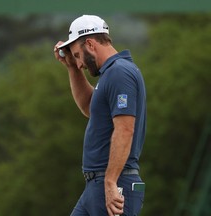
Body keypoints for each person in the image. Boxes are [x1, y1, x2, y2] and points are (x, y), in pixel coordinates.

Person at [54, 15, 146, 216]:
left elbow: (125, 129)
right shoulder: (110, 74)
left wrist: (111, 181)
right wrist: (71, 67)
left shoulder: (119, 73)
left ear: (90, 44)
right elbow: (89, 107)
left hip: (115, 182)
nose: (80, 64)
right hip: (96, 185)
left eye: (77, 55)